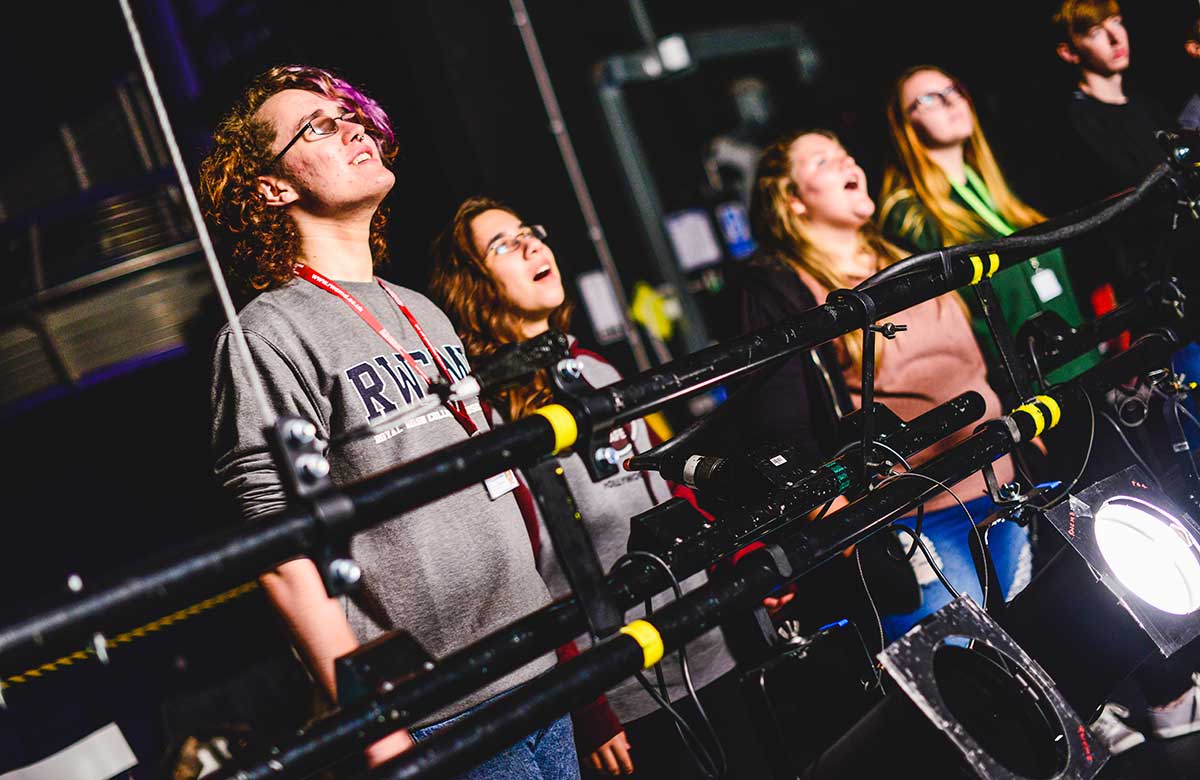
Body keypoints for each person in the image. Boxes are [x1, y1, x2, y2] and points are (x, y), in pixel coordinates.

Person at [199, 66, 577, 778]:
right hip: (437, 703)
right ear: (272, 187)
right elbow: (275, 550)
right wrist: (370, 714)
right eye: (318, 126)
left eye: (351, 115)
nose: (351, 129)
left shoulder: (420, 309)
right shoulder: (266, 335)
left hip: (534, 656)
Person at [429, 196, 778, 779]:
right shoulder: (487, 415)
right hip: (623, 688)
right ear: (471, 285)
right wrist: (586, 703)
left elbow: (670, 488)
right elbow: (520, 573)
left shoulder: (594, 368)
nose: (533, 245)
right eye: (503, 245)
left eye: (529, 230)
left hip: (706, 642)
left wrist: (741, 566)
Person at [741, 130, 1032, 642]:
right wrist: (843, 526)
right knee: (971, 662)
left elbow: (979, 354)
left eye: (846, 152)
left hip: (998, 477)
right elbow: (781, 422)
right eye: (824, 160)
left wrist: (1025, 426)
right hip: (917, 516)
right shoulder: (782, 288)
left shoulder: (902, 256)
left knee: (1044, 633)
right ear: (791, 200)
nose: (848, 160)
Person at [878, 65, 1100, 387]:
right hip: (1026, 392)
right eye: (929, 98)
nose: (950, 101)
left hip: (1084, 366)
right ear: (905, 125)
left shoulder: (994, 187)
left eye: (953, 90)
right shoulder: (909, 216)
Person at [1049, 0, 1176, 303]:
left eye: (1117, 22)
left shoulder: (1150, 107)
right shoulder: (1073, 126)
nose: (1116, 38)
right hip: (1150, 284)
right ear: (1069, 51)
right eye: (1095, 32)